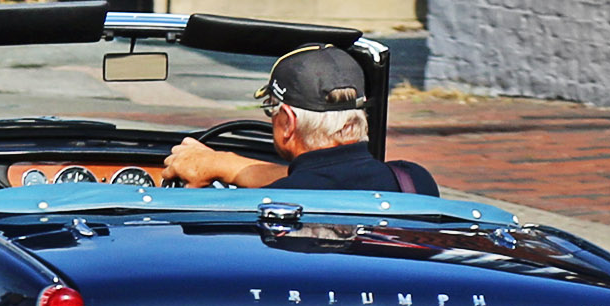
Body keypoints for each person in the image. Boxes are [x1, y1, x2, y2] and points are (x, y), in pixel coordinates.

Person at [163, 44, 426, 192]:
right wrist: (225, 164)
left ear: (288, 122)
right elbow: (332, 176)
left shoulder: (272, 204)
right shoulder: (413, 181)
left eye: (271, 108)